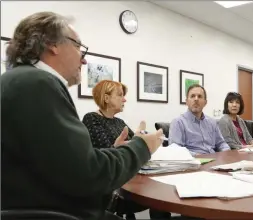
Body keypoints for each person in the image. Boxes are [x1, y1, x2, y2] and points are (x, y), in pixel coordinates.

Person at [1, 11, 163, 220]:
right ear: (52, 44)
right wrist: (142, 146)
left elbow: (63, 165)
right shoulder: (37, 83)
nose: (84, 60)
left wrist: (117, 151)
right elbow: (89, 175)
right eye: (78, 47)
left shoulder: (19, 81)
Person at [82, 80, 171, 220]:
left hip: (129, 178)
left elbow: (135, 142)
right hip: (113, 189)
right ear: (106, 98)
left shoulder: (119, 122)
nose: (124, 99)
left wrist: (142, 137)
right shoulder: (91, 119)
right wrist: (126, 145)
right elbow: (104, 158)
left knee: (161, 194)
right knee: (158, 196)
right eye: (120, 95)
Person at [169, 84, 230, 155]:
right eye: (192, 96)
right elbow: (175, 149)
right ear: (187, 102)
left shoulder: (212, 122)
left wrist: (227, 152)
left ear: (205, 102)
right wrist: (196, 155)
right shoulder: (178, 122)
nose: (196, 99)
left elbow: (221, 143)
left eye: (200, 96)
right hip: (193, 162)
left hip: (214, 160)